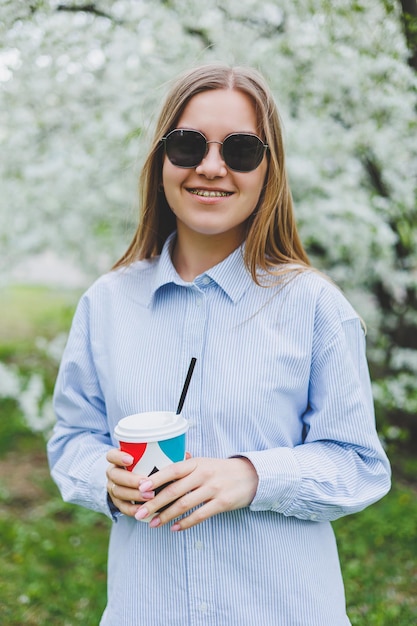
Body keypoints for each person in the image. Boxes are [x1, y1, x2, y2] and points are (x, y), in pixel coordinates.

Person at [47, 63, 391, 625]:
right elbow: (72, 440)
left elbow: (359, 466)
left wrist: (252, 476)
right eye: (186, 145)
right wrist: (104, 481)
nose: (211, 167)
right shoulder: (106, 304)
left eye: (241, 150)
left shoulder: (316, 308)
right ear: (162, 160)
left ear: (268, 170)